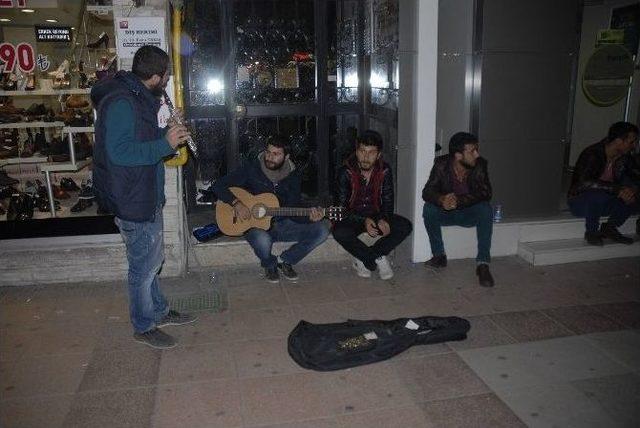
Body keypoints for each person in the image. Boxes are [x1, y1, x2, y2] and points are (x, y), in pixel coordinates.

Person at [92, 45, 197, 349]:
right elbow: (120, 152)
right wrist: (165, 143)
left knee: (152, 261)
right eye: (165, 77)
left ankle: (160, 311)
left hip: (143, 194)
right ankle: (144, 325)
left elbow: (141, 139)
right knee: (143, 268)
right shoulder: (123, 102)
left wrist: (168, 130)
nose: (166, 83)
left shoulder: (139, 97)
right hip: (131, 198)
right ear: (155, 76)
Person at [212, 135, 330, 282]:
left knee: (323, 229)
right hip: (255, 226)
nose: (269, 157)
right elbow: (217, 185)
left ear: (286, 157)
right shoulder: (251, 169)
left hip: (283, 224)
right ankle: (269, 264)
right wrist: (236, 203)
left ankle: (286, 260)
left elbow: (293, 208)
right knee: (262, 240)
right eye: (268, 152)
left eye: (276, 154)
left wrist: (310, 217)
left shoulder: (293, 177)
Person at [333, 130, 412, 280]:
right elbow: (342, 209)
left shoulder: (385, 170)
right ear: (356, 152)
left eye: (371, 152)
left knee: (405, 226)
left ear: (379, 154)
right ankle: (371, 257)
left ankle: (369, 255)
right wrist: (364, 220)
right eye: (362, 151)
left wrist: (384, 218)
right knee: (339, 232)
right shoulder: (345, 172)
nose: (366, 156)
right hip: (352, 217)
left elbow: (388, 200)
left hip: (376, 215)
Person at [422, 132, 495, 287]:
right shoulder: (441, 164)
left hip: (469, 213)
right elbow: (427, 192)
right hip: (446, 213)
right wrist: (442, 200)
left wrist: (459, 201)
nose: (477, 154)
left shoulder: (480, 164)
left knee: (485, 209)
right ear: (458, 156)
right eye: (472, 151)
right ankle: (439, 256)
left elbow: (486, 193)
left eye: (477, 149)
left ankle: (483, 264)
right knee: (429, 209)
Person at [568, 121, 639, 246]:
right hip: (580, 202)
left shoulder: (625, 158)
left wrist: (631, 190)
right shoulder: (592, 154)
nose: (634, 146)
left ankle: (609, 228)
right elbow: (584, 183)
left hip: (606, 203)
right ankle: (591, 231)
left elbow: (635, 176)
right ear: (618, 141)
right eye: (631, 142)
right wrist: (617, 189)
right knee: (598, 195)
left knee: (633, 197)